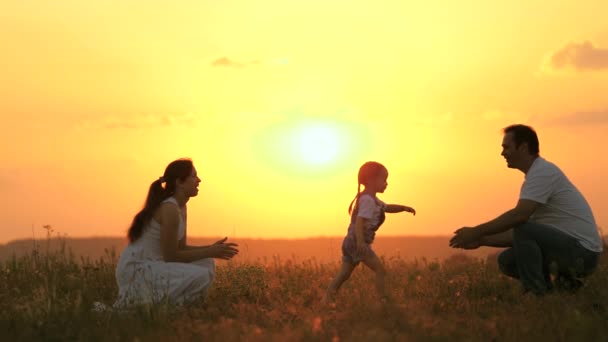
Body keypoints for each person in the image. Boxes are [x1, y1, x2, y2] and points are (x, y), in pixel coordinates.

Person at [450, 124, 603, 295]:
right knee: (507, 260)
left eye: (506, 147)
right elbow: (523, 236)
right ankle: (564, 289)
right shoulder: (534, 179)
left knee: (522, 226)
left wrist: (476, 231)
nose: (502, 153)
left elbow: (519, 218)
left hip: (583, 254)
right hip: (571, 250)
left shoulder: (543, 172)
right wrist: (482, 240)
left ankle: (537, 293)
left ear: (523, 147)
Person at [113, 158, 239, 307]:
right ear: (179, 182)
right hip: (138, 269)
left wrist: (210, 250)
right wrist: (210, 251)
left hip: (156, 265)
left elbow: (181, 247)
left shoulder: (181, 208)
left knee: (206, 262)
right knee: (202, 275)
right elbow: (171, 256)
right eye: (193, 176)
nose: (199, 180)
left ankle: (180, 305)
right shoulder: (169, 209)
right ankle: (172, 308)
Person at [324, 161, 416, 304]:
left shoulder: (371, 199)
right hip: (357, 243)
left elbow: (387, 207)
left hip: (350, 242)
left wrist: (403, 208)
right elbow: (360, 221)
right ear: (372, 180)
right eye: (384, 179)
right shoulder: (367, 200)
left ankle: (327, 300)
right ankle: (383, 299)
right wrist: (361, 242)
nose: (386, 183)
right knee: (380, 270)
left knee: (343, 275)